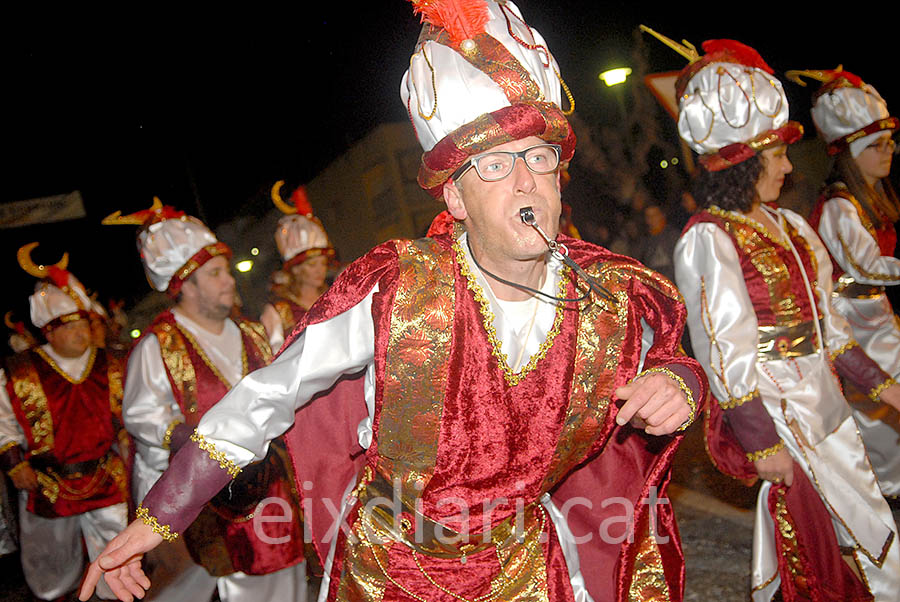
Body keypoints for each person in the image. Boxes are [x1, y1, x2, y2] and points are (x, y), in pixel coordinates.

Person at [82, 4, 706, 601]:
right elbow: (266, 395)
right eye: (493, 164)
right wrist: (158, 516)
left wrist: (680, 383)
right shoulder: (400, 291)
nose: (524, 180)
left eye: (538, 158)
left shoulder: (612, 298)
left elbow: (674, 358)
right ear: (455, 200)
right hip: (391, 574)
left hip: (527, 570)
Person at [651, 30, 900, 600]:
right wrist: (763, 442)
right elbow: (724, 352)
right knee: (840, 544)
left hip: (828, 407)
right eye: (778, 154)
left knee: (869, 528)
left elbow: (832, 332)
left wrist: (886, 390)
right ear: (743, 165)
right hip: (782, 413)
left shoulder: (793, 228)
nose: (789, 167)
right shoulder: (708, 240)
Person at [102, 199, 309, 602]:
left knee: (289, 572)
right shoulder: (158, 345)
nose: (228, 281)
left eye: (225, 271)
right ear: (185, 285)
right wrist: (190, 441)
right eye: (214, 274)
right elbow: (143, 416)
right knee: (235, 581)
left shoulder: (250, 331)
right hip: (207, 499)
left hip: (269, 485)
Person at [793, 67, 900, 498]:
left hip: (876, 315)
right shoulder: (840, 203)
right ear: (851, 152)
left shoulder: (869, 198)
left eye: (890, 142)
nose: (887, 152)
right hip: (854, 320)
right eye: (876, 145)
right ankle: (885, 489)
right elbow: (866, 266)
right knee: (876, 406)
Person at [0, 243, 129, 601]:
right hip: (47, 484)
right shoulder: (19, 371)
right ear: (49, 331)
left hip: (106, 477)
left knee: (118, 564)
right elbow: (2, 420)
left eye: (83, 322)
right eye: (69, 325)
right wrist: (13, 463)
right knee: (51, 571)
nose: (81, 332)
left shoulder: (113, 362)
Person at [260, 181, 335, 346]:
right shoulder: (279, 311)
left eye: (322, 263)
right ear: (296, 269)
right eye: (312, 265)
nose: (320, 270)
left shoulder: (335, 297)